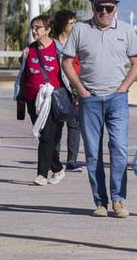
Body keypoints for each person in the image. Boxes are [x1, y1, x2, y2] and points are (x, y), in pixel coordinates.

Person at [62, 0, 137, 219]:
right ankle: (100, 202)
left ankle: (118, 200)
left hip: (117, 99)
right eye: (100, 7)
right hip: (90, 100)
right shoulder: (80, 30)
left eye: (109, 8)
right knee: (93, 154)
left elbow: (136, 63)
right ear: (93, 7)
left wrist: (123, 88)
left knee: (118, 149)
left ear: (116, 8)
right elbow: (66, 62)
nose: (104, 12)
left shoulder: (126, 31)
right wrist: (81, 90)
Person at [14, 15, 70, 185]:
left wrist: (75, 94)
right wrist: (20, 97)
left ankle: (41, 175)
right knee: (44, 136)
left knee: (47, 135)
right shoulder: (28, 50)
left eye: (38, 27)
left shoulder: (59, 50)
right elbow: (23, 75)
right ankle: (58, 168)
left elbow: (69, 72)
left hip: (54, 99)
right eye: (32, 27)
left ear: (47, 30)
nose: (34, 30)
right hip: (33, 100)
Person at [51, 9, 83, 173]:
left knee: (74, 123)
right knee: (56, 124)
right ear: (63, 24)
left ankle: (72, 160)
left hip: (75, 85)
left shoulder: (77, 42)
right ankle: (54, 158)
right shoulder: (52, 43)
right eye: (71, 22)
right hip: (57, 87)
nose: (74, 25)